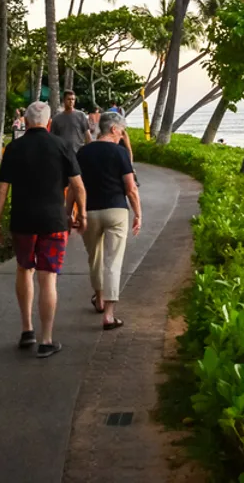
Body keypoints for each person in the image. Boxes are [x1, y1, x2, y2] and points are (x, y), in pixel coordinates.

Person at [0, 101, 87, 359]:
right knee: (48, 278)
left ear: (25, 122)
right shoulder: (62, 146)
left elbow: (1, 189)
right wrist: (82, 214)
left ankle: (27, 330)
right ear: (48, 123)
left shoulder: (14, 148)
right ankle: (46, 340)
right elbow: (78, 185)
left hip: (22, 221)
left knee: (24, 269)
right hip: (54, 222)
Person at [76, 112, 142, 330]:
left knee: (94, 257)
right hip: (116, 210)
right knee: (113, 261)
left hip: (90, 210)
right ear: (113, 129)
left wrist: (72, 212)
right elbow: (130, 188)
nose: (123, 135)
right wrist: (138, 214)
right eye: (121, 130)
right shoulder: (120, 153)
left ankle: (99, 299)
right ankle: (109, 316)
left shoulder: (83, 153)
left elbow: (75, 187)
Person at [50, 90, 91, 156]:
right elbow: (53, 138)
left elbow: (87, 135)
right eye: (69, 99)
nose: (71, 101)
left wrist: (89, 150)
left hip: (79, 152)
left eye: (73, 99)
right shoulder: (56, 118)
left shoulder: (81, 115)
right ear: (64, 100)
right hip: (63, 153)